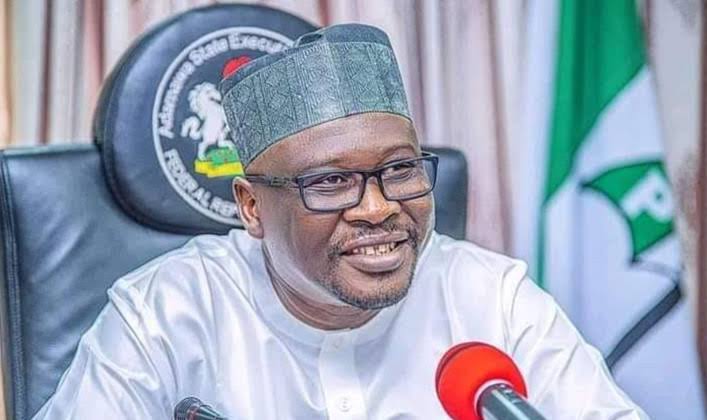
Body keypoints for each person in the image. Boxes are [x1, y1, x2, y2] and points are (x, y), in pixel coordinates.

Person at [34, 24, 647, 419]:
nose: (378, 208)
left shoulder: (495, 300)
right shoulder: (166, 313)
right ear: (251, 207)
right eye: (329, 182)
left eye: (399, 170)